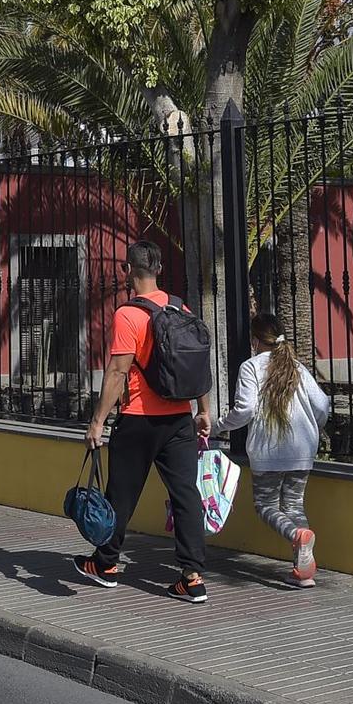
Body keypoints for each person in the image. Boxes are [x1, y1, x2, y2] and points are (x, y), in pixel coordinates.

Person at [74, 240, 214, 604]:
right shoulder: (180, 306)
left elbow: (118, 370)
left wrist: (98, 421)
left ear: (127, 270)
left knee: (121, 494)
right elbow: (195, 364)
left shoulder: (128, 314)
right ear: (160, 271)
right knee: (186, 495)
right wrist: (203, 410)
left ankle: (105, 564)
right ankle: (192, 577)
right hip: (180, 419)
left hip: (138, 419)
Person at [212, 314, 332, 586]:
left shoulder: (251, 367)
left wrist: (220, 426)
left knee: (265, 505)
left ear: (255, 340)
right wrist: (314, 427)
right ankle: (302, 573)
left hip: (269, 451)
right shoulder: (297, 366)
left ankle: (295, 535)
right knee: (293, 504)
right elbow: (322, 404)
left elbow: (245, 409)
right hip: (302, 449)